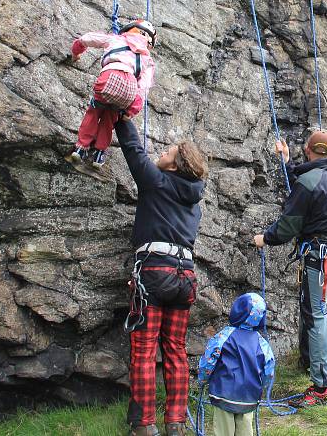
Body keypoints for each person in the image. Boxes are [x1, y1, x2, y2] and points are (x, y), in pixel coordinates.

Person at [114, 118, 208, 436]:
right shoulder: (192, 200)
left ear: (175, 164)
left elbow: (133, 151)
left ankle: (143, 425)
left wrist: (122, 116)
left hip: (154, 274)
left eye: (168, 152)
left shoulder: (158, 182)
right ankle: (176, 423)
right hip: (184, 279)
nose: (163, 153)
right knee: (175, 350)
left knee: (143, 351)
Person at [253, 131, 327, 407]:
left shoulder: (309, 182)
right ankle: (311, 364)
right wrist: (286, 162)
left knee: (316, 314)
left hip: (318, 256)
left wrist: (266, 238)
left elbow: (288, 226)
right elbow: (310, 177)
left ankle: (322, 387)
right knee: (313, 310)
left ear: (307, 150)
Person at [70, 20, 157, 169]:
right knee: (110, 118)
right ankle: (99, 153)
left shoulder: (116, 39)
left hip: (109, 77)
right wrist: (132, 110)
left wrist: (76, 52)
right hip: (129, 87)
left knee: (94, 111)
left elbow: (88, 39)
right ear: (149, 42)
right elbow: (143, 87)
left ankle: (81, 147)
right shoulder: (147, 60)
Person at [198, 293, 276, 436]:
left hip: (223, 394)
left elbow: (208, 361)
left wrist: (203, 379)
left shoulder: (223, 336)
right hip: (249, 398)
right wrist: (262, 386)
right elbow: (269, 371)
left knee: (224, 431)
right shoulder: (262, 343)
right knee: (245, 430)